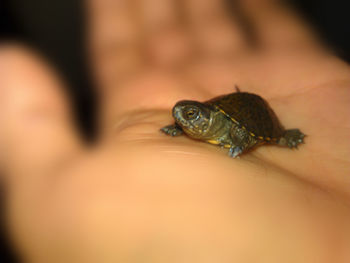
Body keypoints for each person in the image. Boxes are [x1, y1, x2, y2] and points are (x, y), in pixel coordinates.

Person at [1, 0, 349, 262]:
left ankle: (286, 136)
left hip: (252, 114)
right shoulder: (194, 123)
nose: (185, 118)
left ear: (209, 117)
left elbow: (241, 133)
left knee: (282, 137)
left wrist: (242, 144)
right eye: (183, 116)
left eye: (192, 116)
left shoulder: (226, 127)